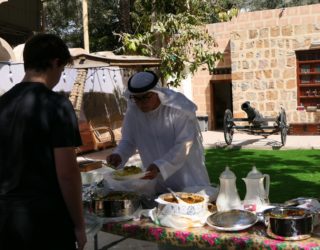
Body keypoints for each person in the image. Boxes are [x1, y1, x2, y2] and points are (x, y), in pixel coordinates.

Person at [0, 34, 86, 250]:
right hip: (45, 222)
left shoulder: (2, 103)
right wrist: (79, 224)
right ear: (56, 62)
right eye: (62, 69)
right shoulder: (57, 105)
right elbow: (67, 174)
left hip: (5, 220)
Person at [107, 71, 211, 194]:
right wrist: (119, 154)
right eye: (137, 98)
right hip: (157, 179)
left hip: (188, 178)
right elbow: (128, 141)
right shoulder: (133, 113)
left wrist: (160, 166)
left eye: (146, 97)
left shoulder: (177, 110)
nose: (141, 103)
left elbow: (184, 145)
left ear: (157, 93)